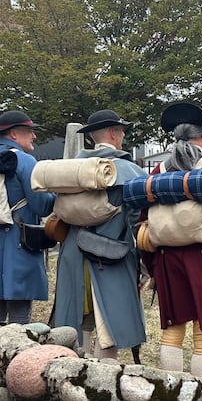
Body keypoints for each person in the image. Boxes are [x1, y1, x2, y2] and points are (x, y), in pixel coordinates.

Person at [140, 102, 202, 378]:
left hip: (167, 259)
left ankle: (170, 390)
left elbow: (144, 217)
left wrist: (152, 264)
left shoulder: (157, 171)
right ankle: (201, 394)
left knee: (172, 330)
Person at [54, 110, 147, 358]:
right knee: (109, 329)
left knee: (77, 322)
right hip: (110, 255)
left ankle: (75, 377)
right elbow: (139, 218)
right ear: (113, 133)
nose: (123, 135)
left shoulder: (72, 170)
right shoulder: (130, 170)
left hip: (73, 253)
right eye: (122, 131)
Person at [0, 111, 55, 338]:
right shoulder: (24, 160)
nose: (33, 136)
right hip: (17, 239)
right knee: (20, 308)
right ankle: (15, 365)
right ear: (14, 133)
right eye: (29, 131)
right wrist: (57, 195)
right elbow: (41, 205)